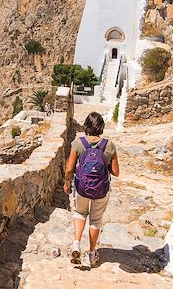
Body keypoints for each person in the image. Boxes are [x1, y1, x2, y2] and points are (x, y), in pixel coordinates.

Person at [63, 111, 119, 267]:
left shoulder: (78, 143)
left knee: (80, 213)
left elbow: (69, 169)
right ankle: (92, 253)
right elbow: (116, 172)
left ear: (86, 126)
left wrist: (67, 183)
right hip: (101, 190)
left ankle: (76, 244)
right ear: (101, 127)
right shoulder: (109, 145)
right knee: (95, 219)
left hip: (81, 187)